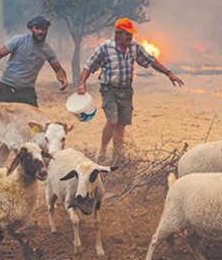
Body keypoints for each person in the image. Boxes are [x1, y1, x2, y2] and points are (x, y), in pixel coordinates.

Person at [76, 18, 184, 163]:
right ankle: (102, 151)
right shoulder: (105, 48)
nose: (130, 37)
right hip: (109, 89)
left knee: (121, 124)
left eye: (131, 34)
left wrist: (169, 73)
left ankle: (117, 156)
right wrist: (82, 83)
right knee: (112, 121)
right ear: (118, 34)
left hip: (126, 90)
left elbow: (150, 60)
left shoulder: (134, 46)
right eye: (127, 34)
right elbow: (89, 66)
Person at [0, 15, 68, 167]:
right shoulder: (18, 41)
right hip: (7, 86)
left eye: (43, 29)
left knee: (35, 126)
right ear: (31, 29)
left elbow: (58, 68)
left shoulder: (47, 50)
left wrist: (63, 78)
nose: (40, 31)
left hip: (26, 91)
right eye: (37, 28)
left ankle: (26, 160)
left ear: (47, 30)